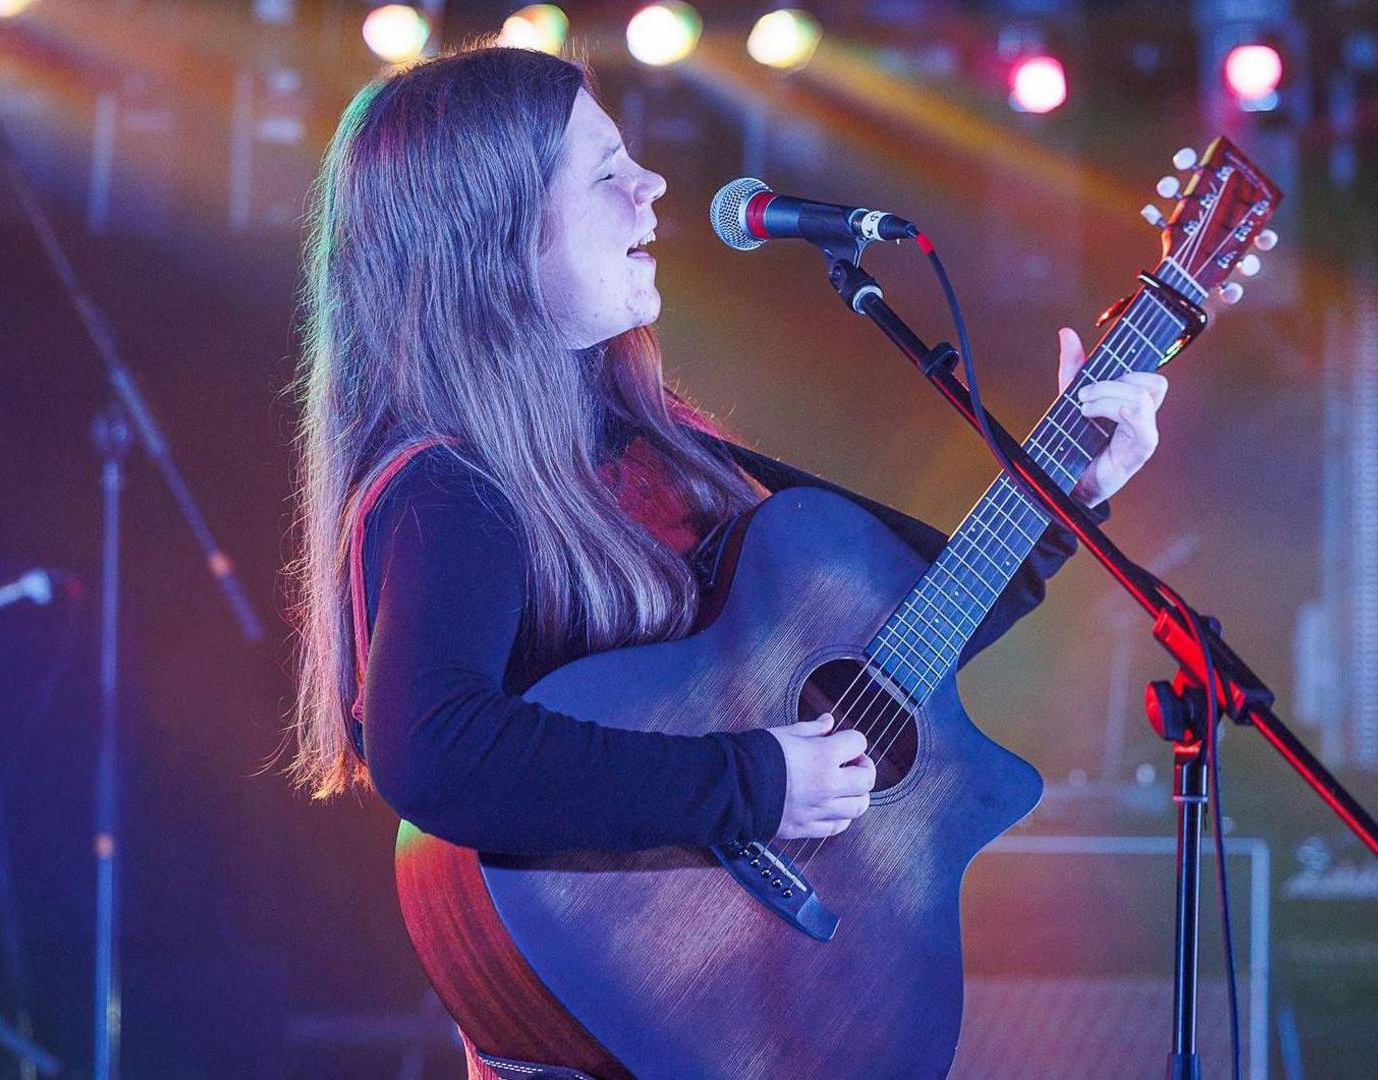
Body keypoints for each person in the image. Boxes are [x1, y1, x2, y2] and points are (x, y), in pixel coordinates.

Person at [282, 44, 1165, 1073]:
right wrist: (755, 780)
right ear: (497, 233)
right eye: (607, 172)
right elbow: (432, 750)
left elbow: (911, 619)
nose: (652, 187)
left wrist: (1072, 495)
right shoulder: (449, 488)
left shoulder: (648, 443)